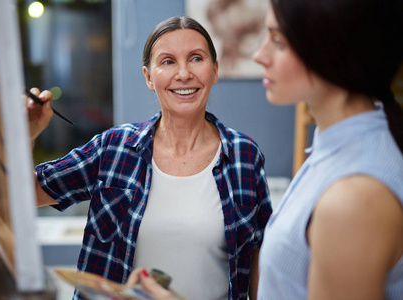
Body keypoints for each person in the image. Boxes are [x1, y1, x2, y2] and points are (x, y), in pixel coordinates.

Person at [27, 16, 272, 300]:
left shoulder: (245, 156)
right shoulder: (113, 148)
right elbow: (25, 195)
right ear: (148, 77)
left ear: (214, 71)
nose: (183, 74)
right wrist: (27, 134)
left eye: (196, 58)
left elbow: (260, 254)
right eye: (168, 61)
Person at [252, 0, 403, 299]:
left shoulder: (355, 199)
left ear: (332, 50)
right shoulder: (335, 144)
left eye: (278, 41)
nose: (259, 55)